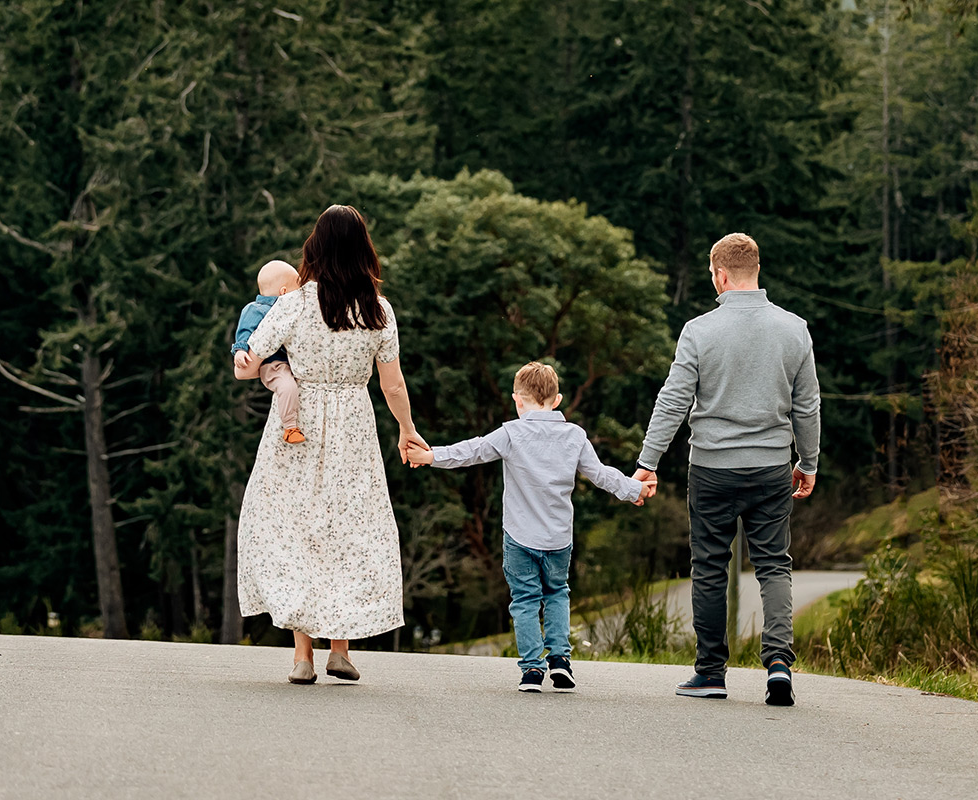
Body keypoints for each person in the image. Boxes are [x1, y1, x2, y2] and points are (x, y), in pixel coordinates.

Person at [234, 205, 427, 685]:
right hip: (353, 427)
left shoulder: (295, 303)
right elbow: (393, 384)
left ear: (314, 248)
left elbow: (248, 360)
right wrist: (406, 428)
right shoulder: (379, 310)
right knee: (348, 530)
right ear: (364, 249)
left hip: (297, 426)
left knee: (298, 528)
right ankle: (339, 650)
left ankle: (303, 658)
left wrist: (250, 362)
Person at [632, 232, 821, 707]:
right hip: (772, 467)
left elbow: (673, 399)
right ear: (756, 271)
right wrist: (809, 462)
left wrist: (647, 462)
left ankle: (711, 672)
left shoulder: (699, 331)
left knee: (710, 568)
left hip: (713, 469)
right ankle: (779, 664)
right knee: (775, 564)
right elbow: (808, 406)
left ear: (719, 275)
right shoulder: (794, 328)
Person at [407, 362, 646, 693]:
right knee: (557, 594)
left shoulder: (510, 433)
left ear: (517, 400)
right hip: (559, 539)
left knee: (525, 600)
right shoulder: (575, 436)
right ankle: (560, 661)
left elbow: (472, 450)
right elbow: (601, 473)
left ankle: (532, 669)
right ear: (557, 399)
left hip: (519, 537)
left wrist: (431, 456)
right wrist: (633, 490)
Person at [231, 260, 305, 444]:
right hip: (273, 364)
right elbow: (244, 332)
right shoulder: (255, 310)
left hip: (290, 362)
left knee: (293, 388)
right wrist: (240, 351)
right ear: (284, 292)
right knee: (287, 387)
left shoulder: (292, 312)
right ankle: (290, 427)